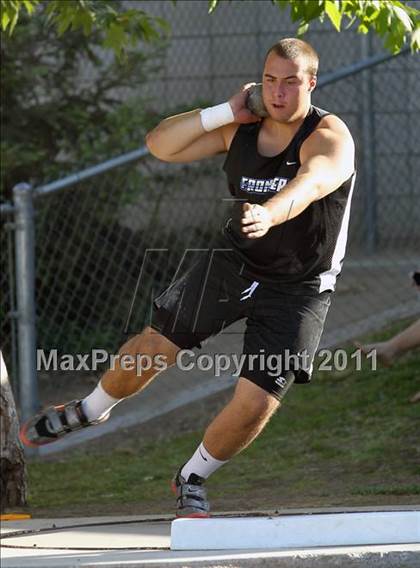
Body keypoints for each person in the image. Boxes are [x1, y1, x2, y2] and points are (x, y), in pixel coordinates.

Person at [20, 38, 356, 518]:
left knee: (258, 400)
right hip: (234, 262)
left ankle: (192, 476)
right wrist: (225, 111)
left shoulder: (329, 134)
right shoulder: (242, 129)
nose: (278, 93)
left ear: (311, 83)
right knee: (154, 347)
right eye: (269, 81)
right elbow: (160, 145)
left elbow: (315, 182)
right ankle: (89, 410)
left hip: (301, 285)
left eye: (290, 82)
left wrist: (271, 212)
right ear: (258, 84)